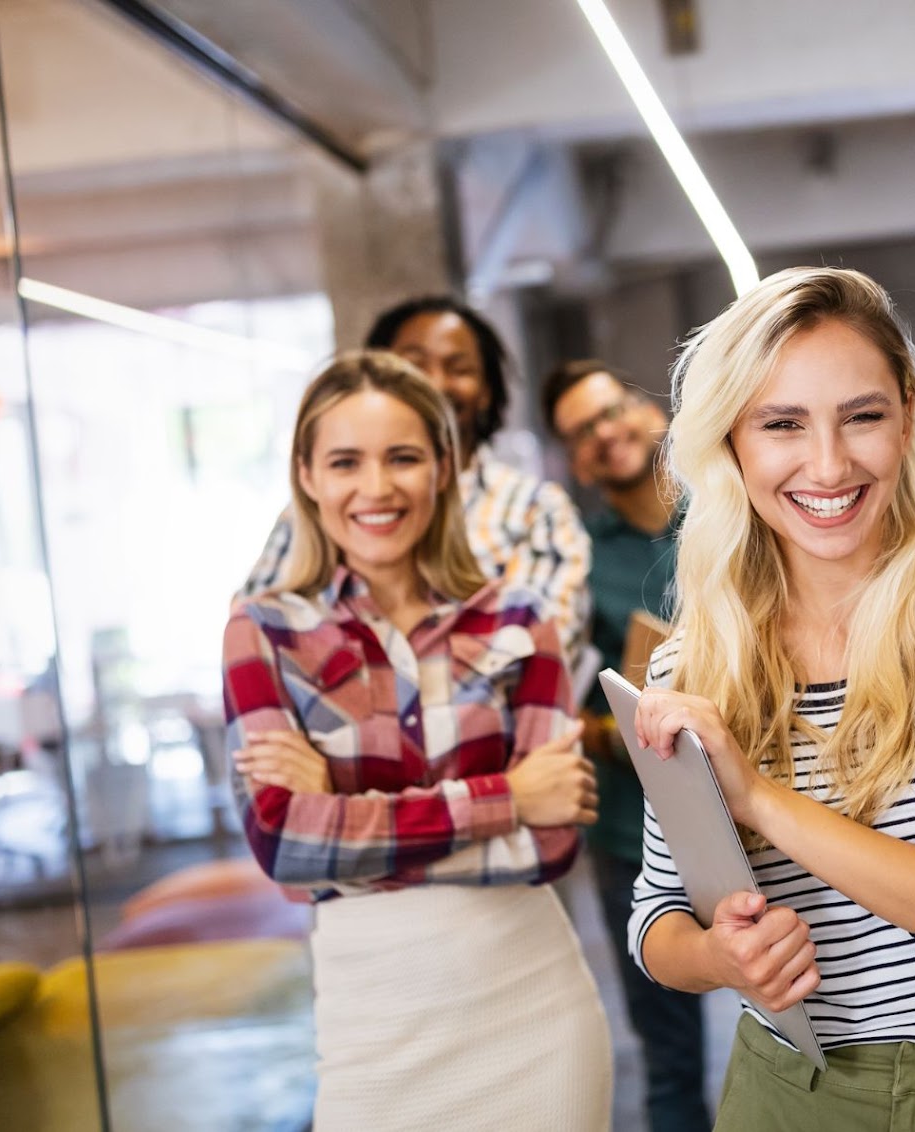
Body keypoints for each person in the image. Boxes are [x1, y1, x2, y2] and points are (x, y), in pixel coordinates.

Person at [626, 266, 915, 1130]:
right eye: (783, 424)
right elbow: (655, 919)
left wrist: (757, 797)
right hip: (779, 1090)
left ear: (906, 414)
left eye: (861, 416)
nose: (829, 465)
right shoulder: (694, 662)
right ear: (733, 442)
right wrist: (721, 959)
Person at [223, 351, 612, 1131]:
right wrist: (507, 797)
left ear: (443, 468)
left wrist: (344, 810)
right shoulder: (264, 629)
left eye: (403, 457)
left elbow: (554, 842)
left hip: (535, 1011)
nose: (376, 488)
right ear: (306, 475)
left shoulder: (517, 621)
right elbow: (285, 844)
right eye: (345, 462)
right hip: (373, 1030)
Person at [542, 358, 712, 1132]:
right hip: (635, 833)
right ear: (574, 459)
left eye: (610, 411)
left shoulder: (728, 512)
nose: (605, 434)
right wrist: (614, 729)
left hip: (775, 800)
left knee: (823, 1015)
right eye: (582, 432)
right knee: (669, 1052)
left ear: (647, 409)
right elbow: (561, 705)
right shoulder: (576, 561)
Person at [243, 295, 591, 660]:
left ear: (487, 391)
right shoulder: (319, 508)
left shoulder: (535, 508)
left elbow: (539, 656)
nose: (436, 383)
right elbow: (259, 647)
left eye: (459, 368)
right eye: (414, 365)